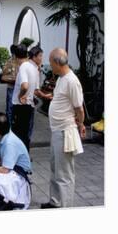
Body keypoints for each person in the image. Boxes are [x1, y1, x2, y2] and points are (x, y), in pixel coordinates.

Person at [41, 48, 85, 209]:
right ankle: (56, 201)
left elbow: (79, 108)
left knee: (64, 174)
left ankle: (64, 207)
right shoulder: (61, 78)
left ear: (58, 63)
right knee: (55, 169)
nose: (50, 65)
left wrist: (80, 125)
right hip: (57, 131)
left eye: (51, 62)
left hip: (66, 131)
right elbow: (61, 99)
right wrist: (47, 97)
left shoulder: (72, 81)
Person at [10, 45, 51, 151]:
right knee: (25, 132)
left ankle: (19, 158)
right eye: (40, 56)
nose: (42, 58)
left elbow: (25, 86)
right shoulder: (35, 69)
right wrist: (45, 96)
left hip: (20, 105)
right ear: (33, 57)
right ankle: (25, 156)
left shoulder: (24, 66)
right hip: (28, 106)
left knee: (18, 133)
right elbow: (36, 91)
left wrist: (20, 95)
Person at [1, 44, 28, 128]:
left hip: (20, 88)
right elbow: (3, 74)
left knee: (17, 109)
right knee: (10, 109)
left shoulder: (25, 62)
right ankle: (9, 127)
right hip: (11, 87)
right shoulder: (10, 61)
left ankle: (15, 126)